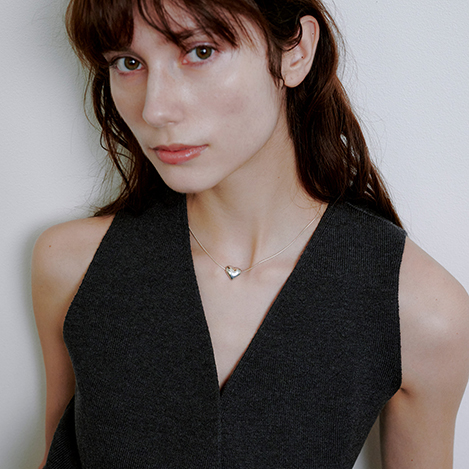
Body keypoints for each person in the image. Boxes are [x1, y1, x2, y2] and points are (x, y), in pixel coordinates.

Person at [32, 0, 469, 467]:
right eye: (128, 62)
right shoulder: (72, 267)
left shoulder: (421, 311)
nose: (155, 109)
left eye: (200, 52)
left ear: (296, 51)